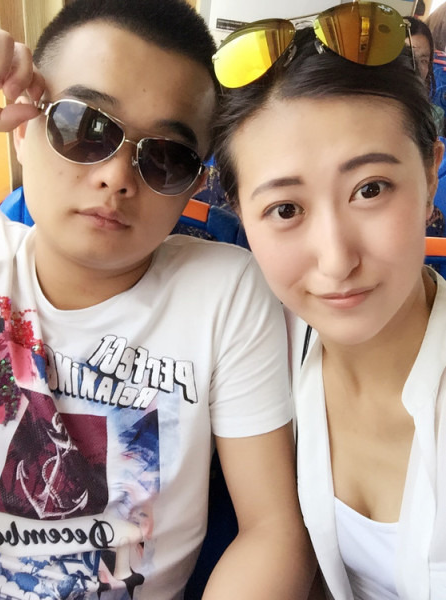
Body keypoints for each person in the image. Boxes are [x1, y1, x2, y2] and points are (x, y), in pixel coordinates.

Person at [0, 0, 318, 598]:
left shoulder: (223, 292)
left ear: (195, 183)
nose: (117, 177)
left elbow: (272, 529)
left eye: (165, 157)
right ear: (22, 129)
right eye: (86, 127)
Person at [213, 2, 446, 598]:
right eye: (285, 209)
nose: (337, 259)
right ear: (240, 215)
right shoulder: (257, 351)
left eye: (370, 189)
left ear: (430, 176)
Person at [405, 15, 445, 135]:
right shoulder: (364, 104)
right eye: (407, 55)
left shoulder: (433, 116)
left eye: (424, 60)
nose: (416, 66)